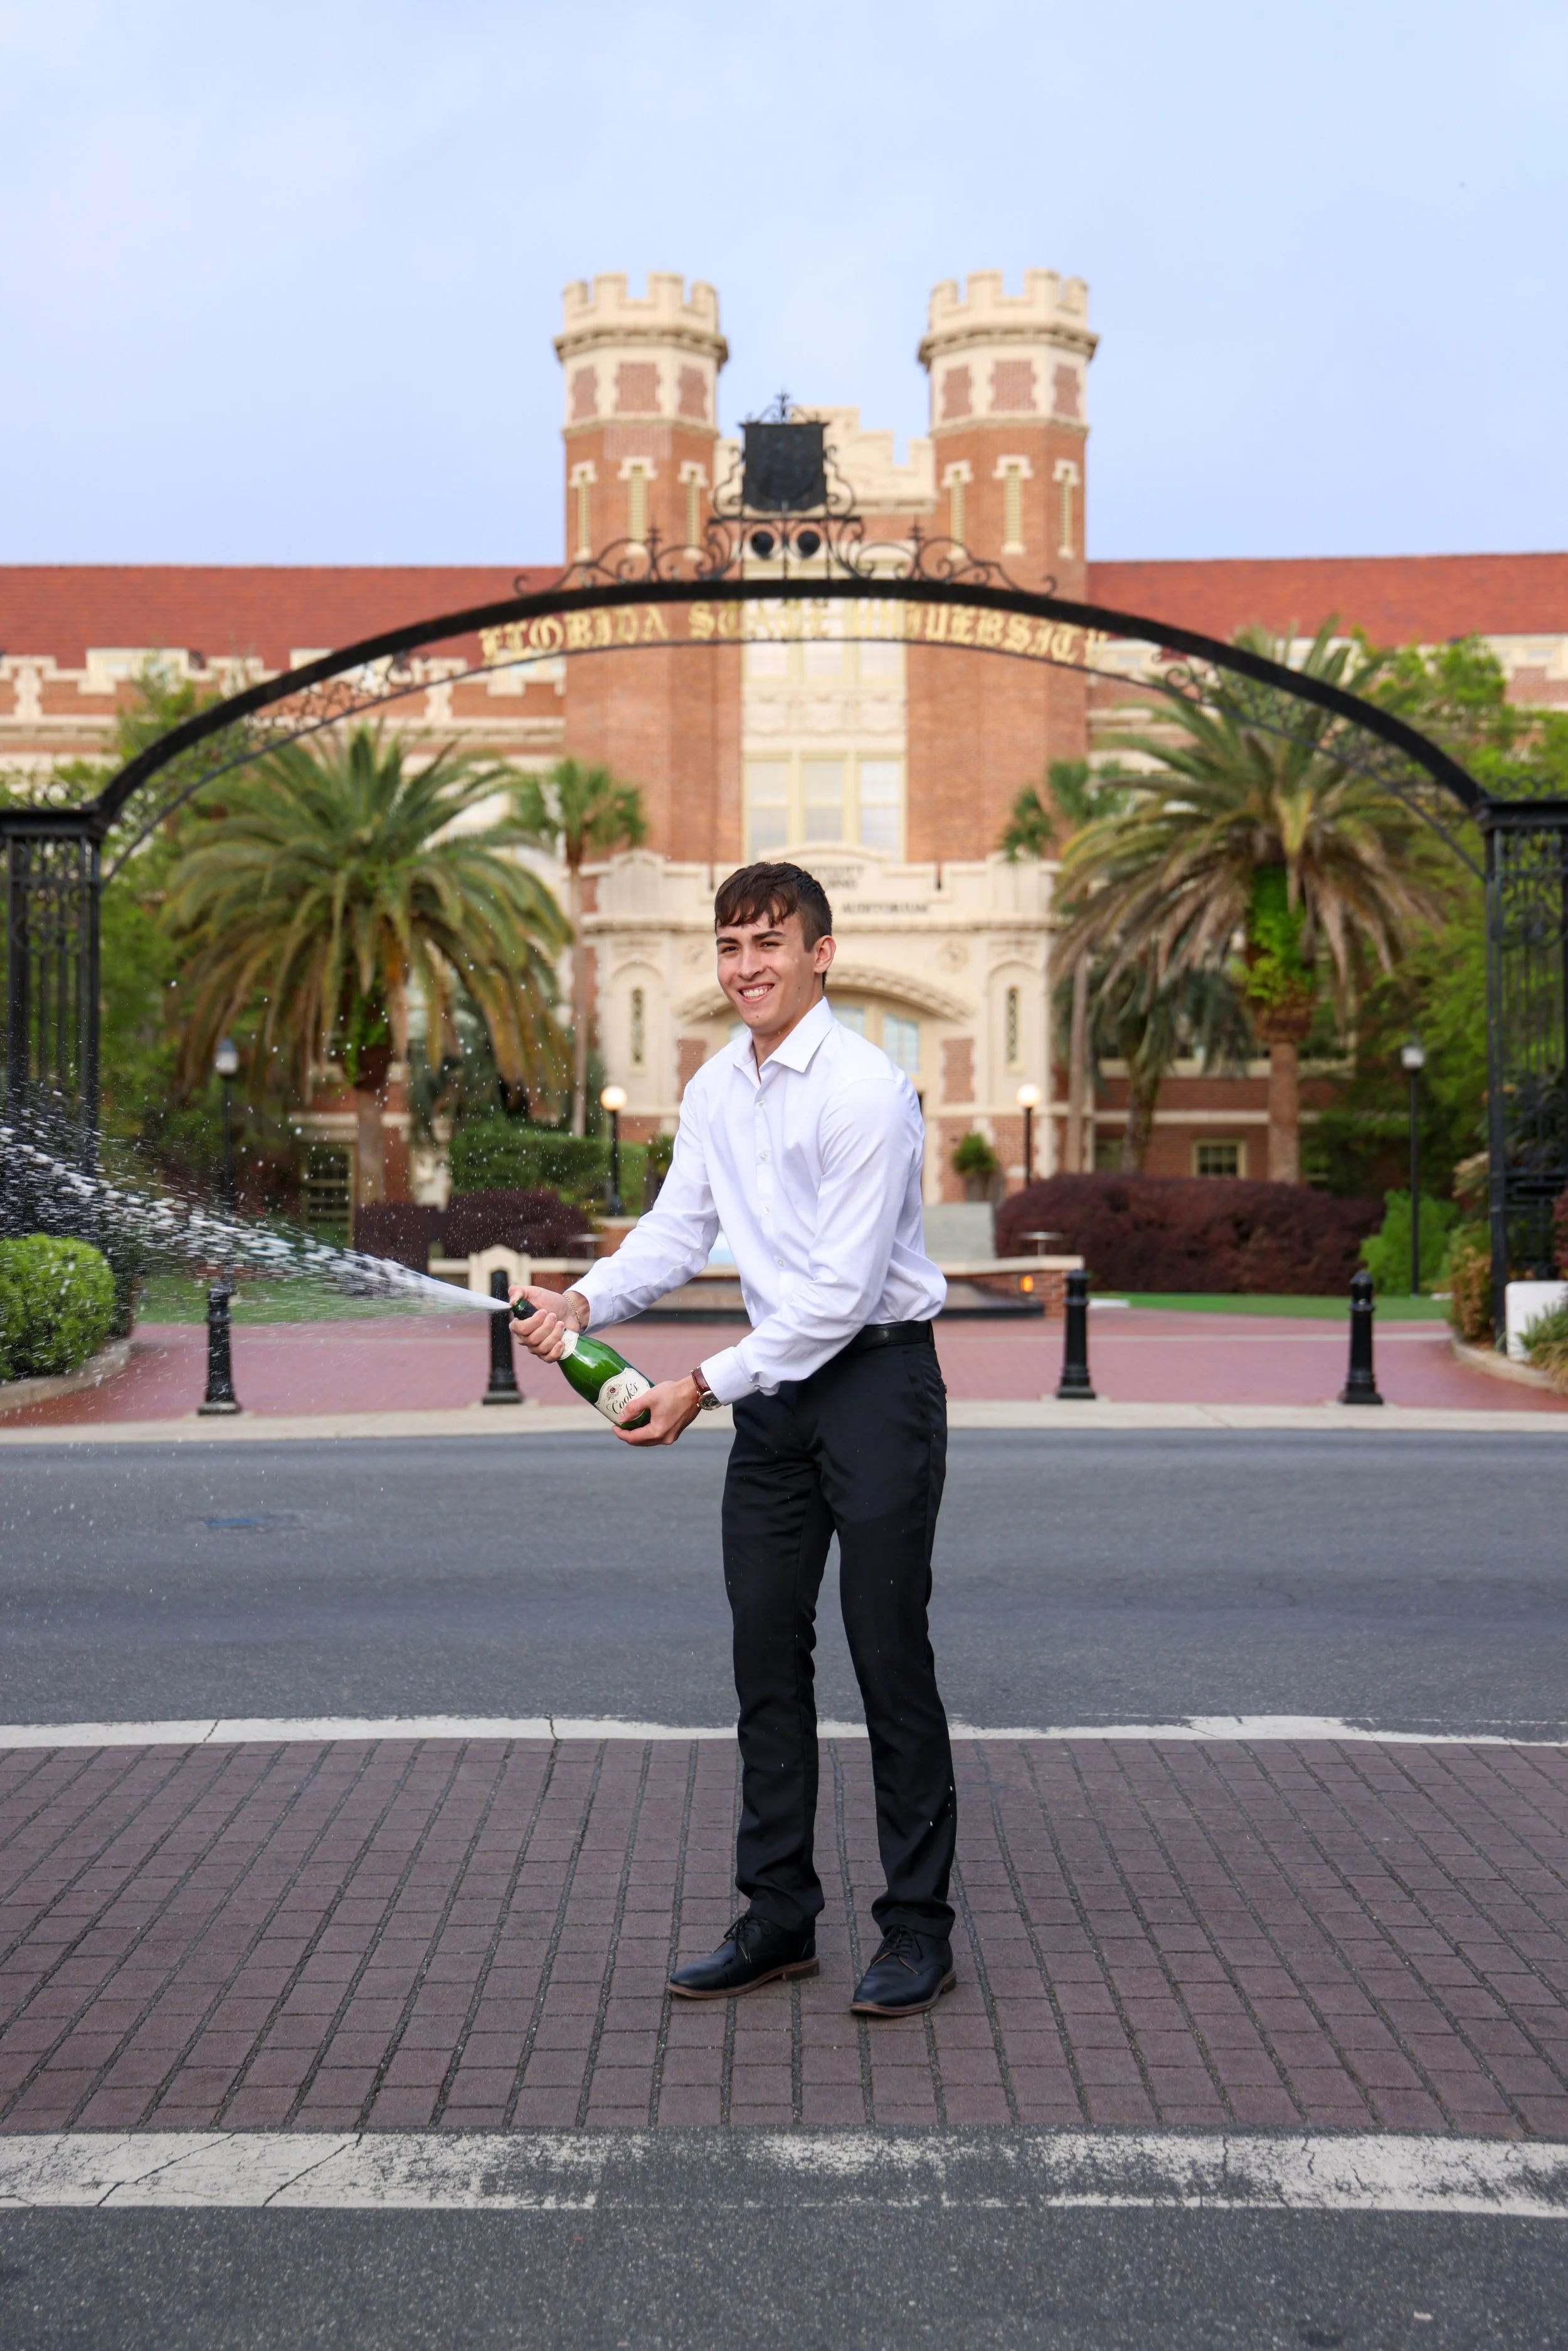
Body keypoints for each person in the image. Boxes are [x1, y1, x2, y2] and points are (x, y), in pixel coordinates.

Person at [510, 861, 956, 2017]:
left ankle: (916, 1929)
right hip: (775, 1396)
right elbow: (676, 1228)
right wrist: (585, 1304)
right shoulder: (716, 1086)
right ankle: (779, 1918)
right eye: (729, 945)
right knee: (766, 1654)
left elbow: (840, 1296)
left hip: (874, 1383)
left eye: (769, 941)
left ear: (822, 953)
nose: (746, 964)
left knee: (887, 1651)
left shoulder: (868, 1091)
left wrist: (699, 1385)